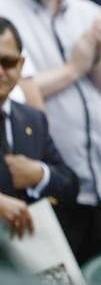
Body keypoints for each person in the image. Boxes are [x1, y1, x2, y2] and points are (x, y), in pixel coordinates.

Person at [0, 0, 101, 265]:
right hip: (38, 192)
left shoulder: (88, 13)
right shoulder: (3, 12)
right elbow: (15, 90)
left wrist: (95, 61)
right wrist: (74, 67)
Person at [0, 17, 78, 239]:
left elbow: (70, 184)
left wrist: (38, 174)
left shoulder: (32, 119)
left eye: (7, 62)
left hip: (26, 254)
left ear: (21, 65)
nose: (0, 71)